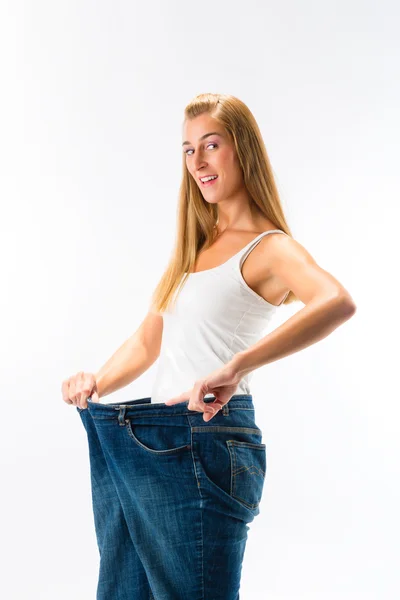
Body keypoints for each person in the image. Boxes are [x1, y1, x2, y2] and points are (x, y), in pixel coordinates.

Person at [61, 93, 356, 599]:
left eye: (211, 145)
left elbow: (335, 302)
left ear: (242, 149)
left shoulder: (269, 246)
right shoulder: (192, 249)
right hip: (152, 435)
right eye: (188, 149)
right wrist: (96, 381)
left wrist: (236, 366)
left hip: (209, 434)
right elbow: (148, 341)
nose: (197, 161)